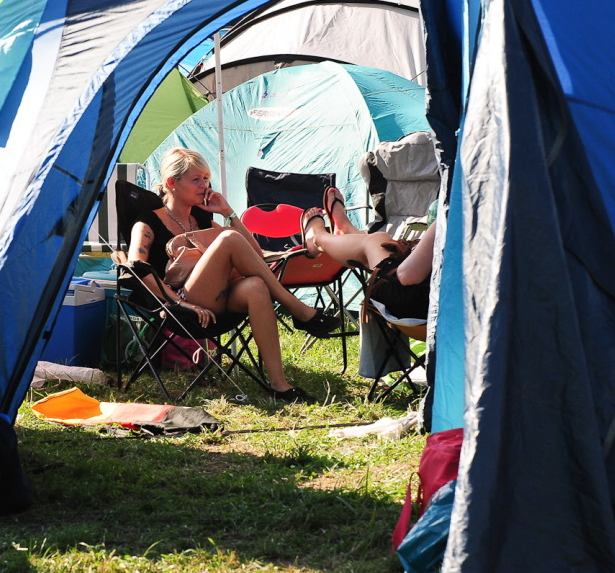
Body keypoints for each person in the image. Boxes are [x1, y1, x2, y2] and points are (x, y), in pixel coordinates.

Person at [127, 148, 339, 403]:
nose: (204, 186)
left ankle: (279, 384)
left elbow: (255, 254)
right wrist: (179, 302)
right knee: (228, 238)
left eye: (206, 179)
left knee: (256, 286)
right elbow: (136, 267)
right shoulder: (148, 221)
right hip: (180, 303)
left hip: (217, 299)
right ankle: (298, 309)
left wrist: (228, 212)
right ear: (172, 183)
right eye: (196, 179)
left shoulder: (202, 219)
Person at [299, 187, 436, 320]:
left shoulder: (452, 214)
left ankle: (317, 239)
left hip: (416, 302)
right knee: (380, 242)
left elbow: (407, 276)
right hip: (443, 309)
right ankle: (347, 232)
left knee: (377, 240)